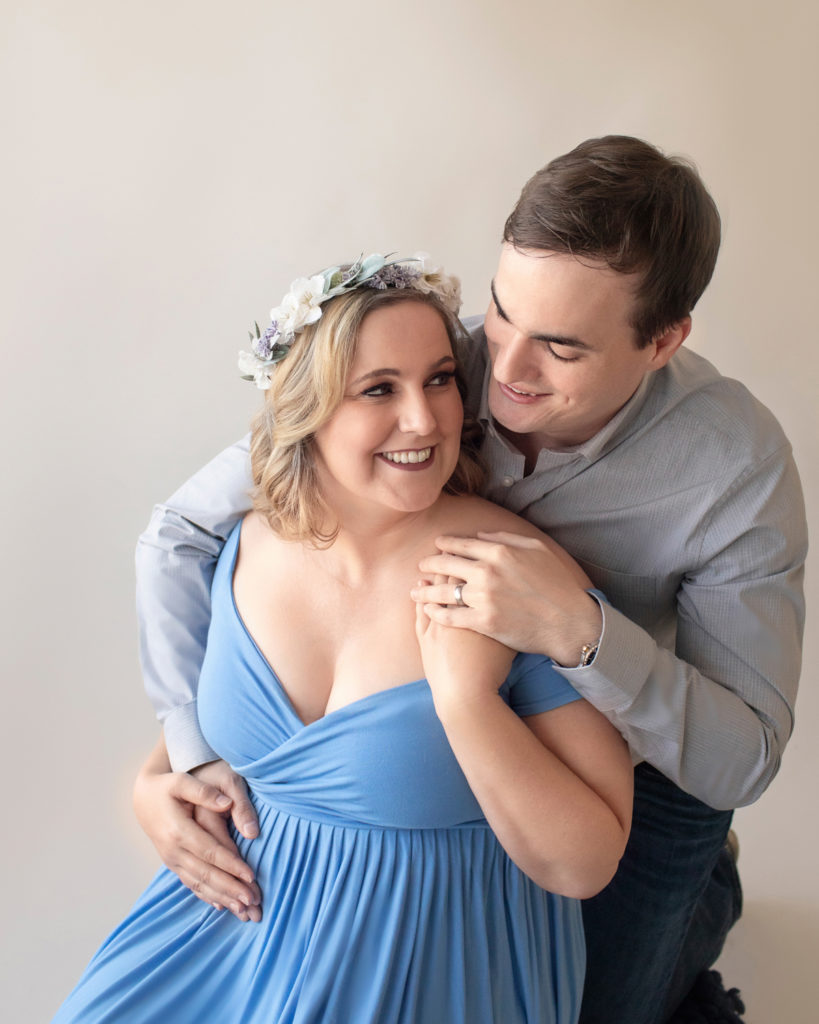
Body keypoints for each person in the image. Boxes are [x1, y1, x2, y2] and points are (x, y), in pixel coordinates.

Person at [133, 137, 807, 1024]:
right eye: (502, 315)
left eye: (561, 349)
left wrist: (582, 635)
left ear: (663, 341)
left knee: (599, 1004)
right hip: (422, 763)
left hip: (641, 777)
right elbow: (194, 525)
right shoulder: (430, 366)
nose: (506, 372)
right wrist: (173, 756)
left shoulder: (734, 469)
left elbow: (742, 756)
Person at [54, 256, 633, 1023]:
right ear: (310, 408)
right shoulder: (245, 543)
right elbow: (239, 748)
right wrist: (156, 784)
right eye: (377, 389)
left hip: (421, 975)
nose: (425, 420)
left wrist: (466, 703)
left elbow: (585, 862)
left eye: (437, 380)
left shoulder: (507, 575)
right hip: (214, 951)